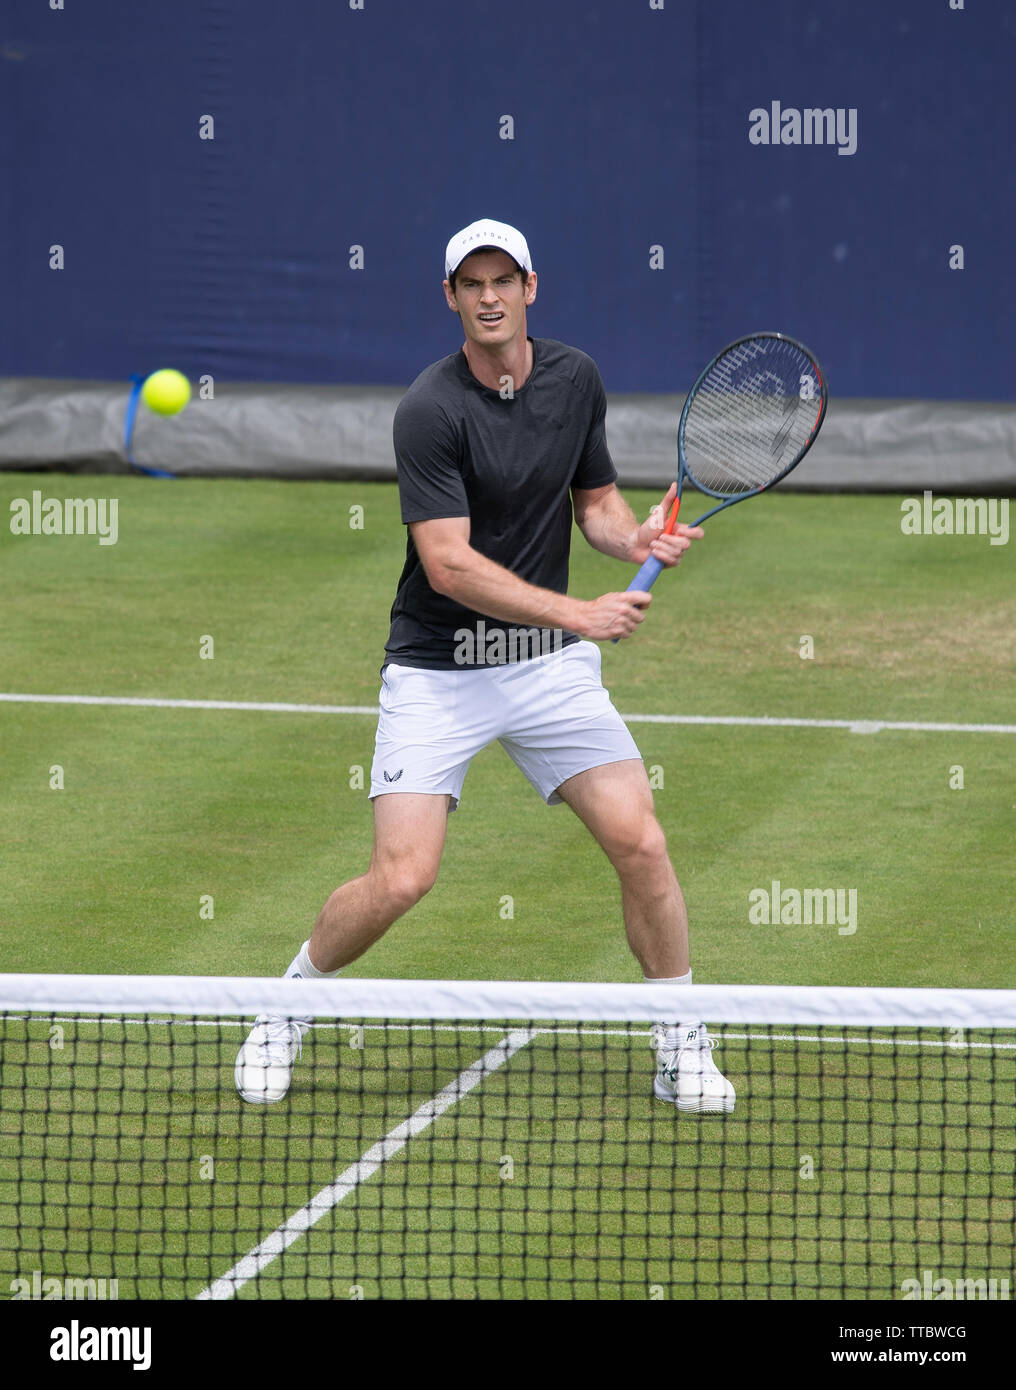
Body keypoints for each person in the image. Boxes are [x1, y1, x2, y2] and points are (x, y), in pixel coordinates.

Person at [235, 218, 734, 1115]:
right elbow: (448, 566)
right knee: (402, 879)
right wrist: (579, 612)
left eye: (506, 279)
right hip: (438, 669)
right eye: (474, 284)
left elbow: (598, 509)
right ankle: (283, 1008)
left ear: (531, 288)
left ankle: (680, 1040)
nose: (491, 295)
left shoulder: (575, 378)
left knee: (641, 840)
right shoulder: (429, 410)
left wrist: (638, 540)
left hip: (546, 669)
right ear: (452, 299)